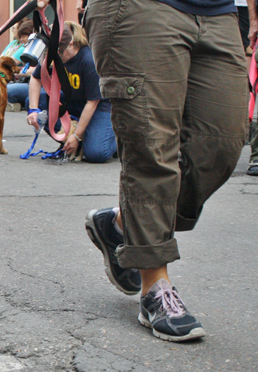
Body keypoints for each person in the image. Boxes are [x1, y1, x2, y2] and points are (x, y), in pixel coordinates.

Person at [84, 0, 250, 341]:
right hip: (139, 8)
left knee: (222, 144)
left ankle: (120, 224)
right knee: (151, 147)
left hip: (219, 12)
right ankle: (154, 287)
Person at [24, 21, 116, 164]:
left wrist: (77, 136)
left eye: (60, 52)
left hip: (99, 108)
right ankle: (69, 139)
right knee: (38, 100)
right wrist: (34, 109)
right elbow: (36, 79)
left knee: (96, 154)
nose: (57, 57)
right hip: (73, 103)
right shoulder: (55, 56)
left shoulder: (89, 60)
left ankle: (113, 137)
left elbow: (92, 102)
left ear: (72, 44)